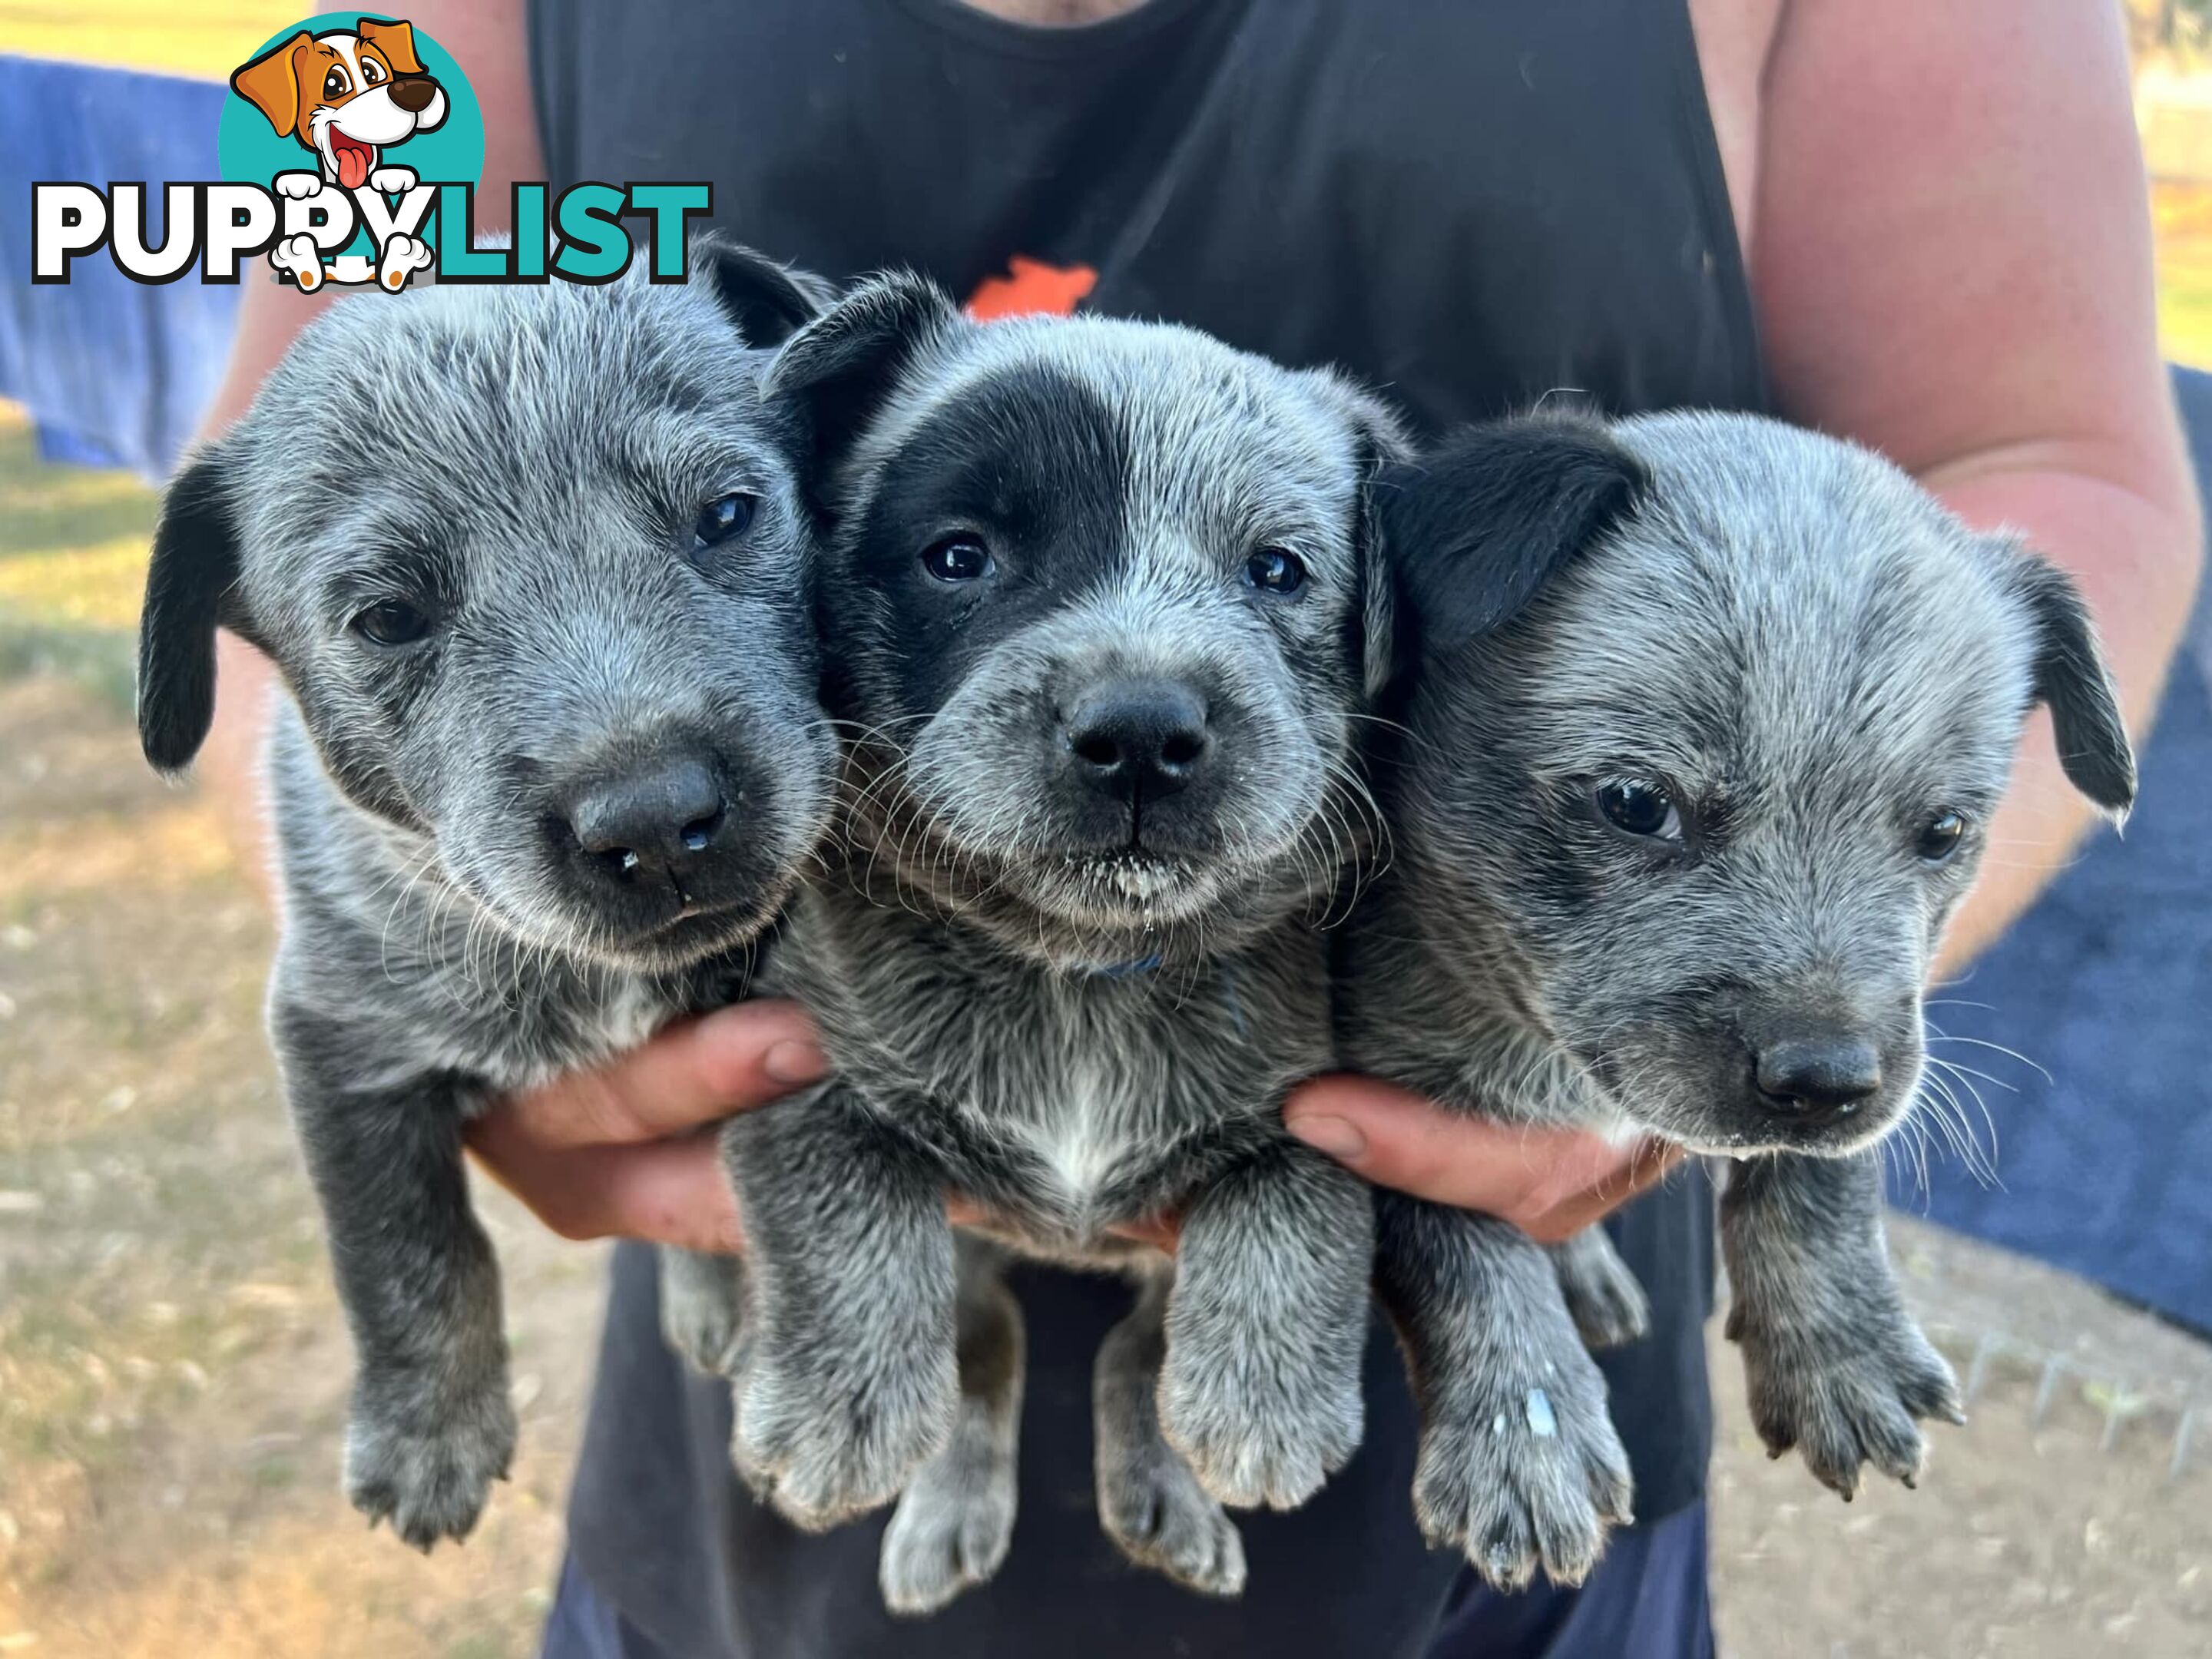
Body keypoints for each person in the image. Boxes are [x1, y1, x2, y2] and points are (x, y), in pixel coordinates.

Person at [188, 1, 2202, 1654]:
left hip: (1490, 1364)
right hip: (777, 1353)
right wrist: (430, 947)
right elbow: (286, 495)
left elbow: (2040, 469)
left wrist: (1753, 1004)